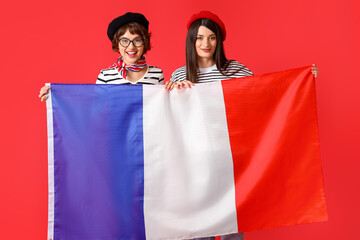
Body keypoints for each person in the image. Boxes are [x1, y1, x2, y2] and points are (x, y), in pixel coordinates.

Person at [165, 10, 318, 240]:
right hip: (195, 164)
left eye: (212, 37)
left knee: (232, 229)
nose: (205, 43)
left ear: (219, 40)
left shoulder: (235, 71)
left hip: (232, 162)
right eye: (199, 37)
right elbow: (172, 121)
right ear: (191, 40)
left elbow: (264, 93)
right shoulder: (179, 74)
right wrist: (172, 93)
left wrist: (302, 78)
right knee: (198, 230)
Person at [39, 12, 164, 101]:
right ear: (117, 44)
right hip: (115, 136)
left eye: (136, 40)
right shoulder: (105, 76)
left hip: (146, 137)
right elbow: (93, 105)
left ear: (144, 42)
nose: (131, 47)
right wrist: (54, 95)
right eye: (124, 41)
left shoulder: (157, 74)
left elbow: (162, 108)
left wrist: (176, 90)